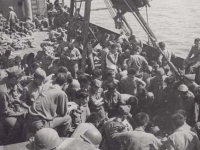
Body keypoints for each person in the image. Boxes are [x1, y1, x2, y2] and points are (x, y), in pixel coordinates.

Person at [25, 73, 72, 138]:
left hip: (29, 120)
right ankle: (62, 140)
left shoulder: (47, 87)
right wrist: (71, 108)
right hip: (39, 124)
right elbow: (63, 114)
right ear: (65, 84)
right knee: (67, 118)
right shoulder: (61, 93)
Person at [0, 66, 25, 144]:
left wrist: (19, 108)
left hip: (8, 108)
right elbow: (4, 111)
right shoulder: (3, 92)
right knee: (16, 126)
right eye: (19, 79)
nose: (20, 81)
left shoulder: (12, 82)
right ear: (13, 79)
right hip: (2, 112)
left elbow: (14, 97)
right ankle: (5, 143)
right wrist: (19, 114)